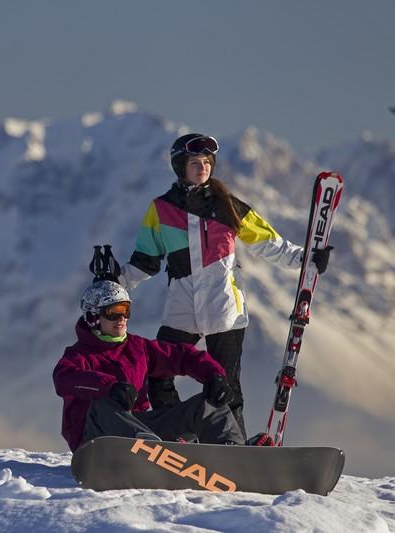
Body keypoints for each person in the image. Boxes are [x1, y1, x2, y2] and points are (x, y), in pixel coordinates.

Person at [119, 133, 332, 439]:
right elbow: (145, 262)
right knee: (158, 374)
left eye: (207, 162)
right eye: (195, 163)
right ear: (180, 166)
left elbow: (270, 243)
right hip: (182, 305)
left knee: (225, 385)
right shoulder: (161, 210)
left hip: (224, 308)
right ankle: (178, 439)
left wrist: (307, 257)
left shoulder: (227, 205)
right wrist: (116, 279)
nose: (202, 167)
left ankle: (232, 450)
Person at [52, 271, 246, 452]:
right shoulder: (78, 355)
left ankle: (230, 452)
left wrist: (213, 376)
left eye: (125, 310)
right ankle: (147, 449)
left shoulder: (138, 347)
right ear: (93, 317)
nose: (121, 318)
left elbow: (183, 355)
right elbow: (64, 379)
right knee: (102, 405)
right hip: (96, 440)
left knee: (207, 405)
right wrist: (108, 387)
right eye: (113, 312)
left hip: (141, 430)